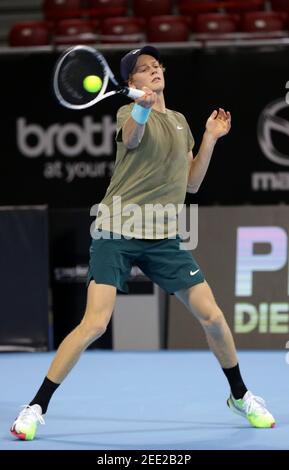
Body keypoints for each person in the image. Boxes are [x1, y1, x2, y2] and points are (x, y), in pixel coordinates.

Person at [10, 45, 275, 441]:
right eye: (142, 70)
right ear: (131, 83)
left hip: (164, 237)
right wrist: (142, 108)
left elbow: (192, 183)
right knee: (95, 323)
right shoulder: (128, 112)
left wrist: (210, 138)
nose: (152, 71)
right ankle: (35, 406)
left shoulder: (182, 121)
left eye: (155, 66)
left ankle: (240, 395)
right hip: (117, 229)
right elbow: (132, 140)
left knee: (214, 318)